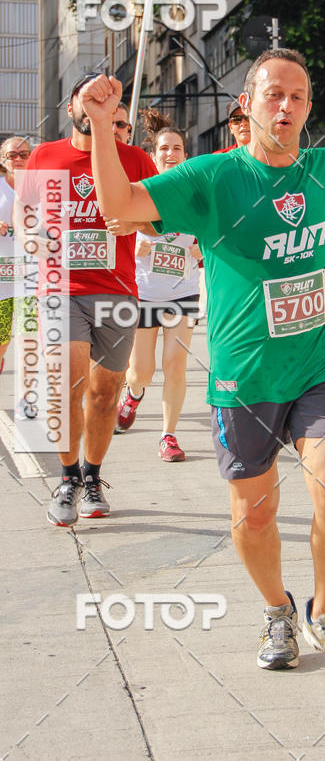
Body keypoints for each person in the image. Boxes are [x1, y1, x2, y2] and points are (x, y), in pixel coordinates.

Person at [79, 49, 325, 686]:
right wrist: (104, 126)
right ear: (246, 106)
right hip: (243, 379)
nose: (286, 105)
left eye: (298, 96)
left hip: (322, 367)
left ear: (308, 108)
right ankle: (277, 609)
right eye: (273, 94)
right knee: (254, 516)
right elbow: (119, 200)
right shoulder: (212, 179)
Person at [15, 72, 156, 526]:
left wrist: (136, 225)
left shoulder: (134, 160)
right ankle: (68, 477)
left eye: (107, 101)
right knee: (67, 382)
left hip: (116, 291)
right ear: (73, 106)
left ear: (116, 113)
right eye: (87, 97)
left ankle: (93, 475)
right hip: (60, 290)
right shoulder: (45, 155)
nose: (95, 105)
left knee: (102, 397)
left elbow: (160, 221)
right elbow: (24, 219)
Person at [112, 109, 202, 462]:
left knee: (175, 364)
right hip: (145, 292)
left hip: (185, 291)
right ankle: (132, 394)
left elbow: (216, 230)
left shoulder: (196, 193)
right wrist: (137, 238)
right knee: (143, 370)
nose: (170, 153)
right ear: (154, 155)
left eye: (177, 148)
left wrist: (203, 249)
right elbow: (116, 225)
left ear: (185, 155)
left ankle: (169, 436)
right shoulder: (141, 191)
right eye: (164, 148)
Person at [0, 136, 36, 389]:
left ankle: (28, 396)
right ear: (3, 159)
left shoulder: (40, 188)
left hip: (31, 279)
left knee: (28, 339)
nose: (19, 159)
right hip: (2, 280)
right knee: (2, 340)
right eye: (13, 154)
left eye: (24, 154)